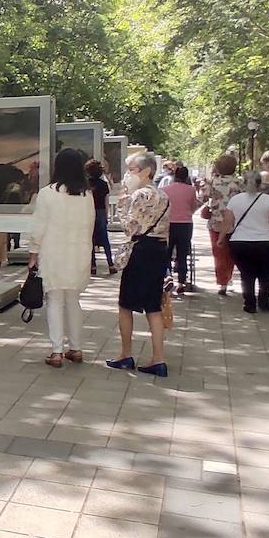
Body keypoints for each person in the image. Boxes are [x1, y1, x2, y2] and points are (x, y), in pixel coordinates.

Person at [27, 148, 95, 368]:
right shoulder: (87, 195)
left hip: (53, 253)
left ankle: (56, 351)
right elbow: (90, 226)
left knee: (54, 300)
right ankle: (76, 348)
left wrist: (33, 252)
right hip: (79, 254)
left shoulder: (47, 193)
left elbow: (39, 226)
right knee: (73, 301)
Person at [106, 152, 171, 377]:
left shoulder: (139, 195)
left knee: (126, 305)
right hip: (158, 251)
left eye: (132, 170)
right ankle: (158, 358)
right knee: (153, 306)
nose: (128, 175)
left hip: (140, 252)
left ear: (146, 171)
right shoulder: (163, 195)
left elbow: (130, 229)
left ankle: (125, 354)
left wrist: (123, 207)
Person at [221, 171, 269, 314]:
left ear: (243, 183)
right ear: (260, 183)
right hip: (267, 243)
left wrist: (220, 238)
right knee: (267, 274)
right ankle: (264, 301)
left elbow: (227, 222)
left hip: (240, 243)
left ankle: (250, 303)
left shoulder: (235, 200)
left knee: (247, 274)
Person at [201, 153, 241, 296]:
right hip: (235, 222)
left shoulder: (212, 182)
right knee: (232, 252)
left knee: (218, 253)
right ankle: (228, 277)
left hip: (216, 222)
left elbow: (203, 197)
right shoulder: (239, 183)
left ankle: (222, 282)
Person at [162, 165, 200, 295]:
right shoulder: (191, 190)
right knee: (182, 254)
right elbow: (193, 206)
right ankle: (181, 282)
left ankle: (167, 277)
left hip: (169, 224)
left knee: (166, 253)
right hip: (185, 224)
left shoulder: (165, 189)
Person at [85, 159, 117, 275]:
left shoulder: (86, 185)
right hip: (101, 212)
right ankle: (110, 263)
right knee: (105, 239)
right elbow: (106, 201)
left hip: (89, 212)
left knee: (91, 239)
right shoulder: (103, 185)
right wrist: (106, 215)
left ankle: (93, 265)